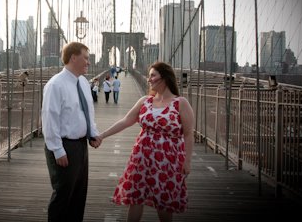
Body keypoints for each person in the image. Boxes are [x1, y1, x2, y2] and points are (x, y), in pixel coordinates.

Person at [99, 62, 194, 222]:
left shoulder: (180, 103)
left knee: (164, 203)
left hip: (167, 161)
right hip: (141, 158)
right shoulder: (145, 101)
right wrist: (102, 136)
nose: (149, 79)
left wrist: (187, 161)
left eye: (153, 75)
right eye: (149, 75)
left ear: (164, 77)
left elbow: (189, 134)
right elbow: (125, 121)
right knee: (136, 198)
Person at [41, 42, 102, 221]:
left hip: (81, 146)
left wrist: (93, 133)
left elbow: (87, 111)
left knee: (78, 195)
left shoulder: (83, 82)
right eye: (86, 58)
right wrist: (57, 149)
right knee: (63, 195)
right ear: (73, 58)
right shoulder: (55, 85)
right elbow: (49, 119)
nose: (88, 63)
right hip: (64, 146)